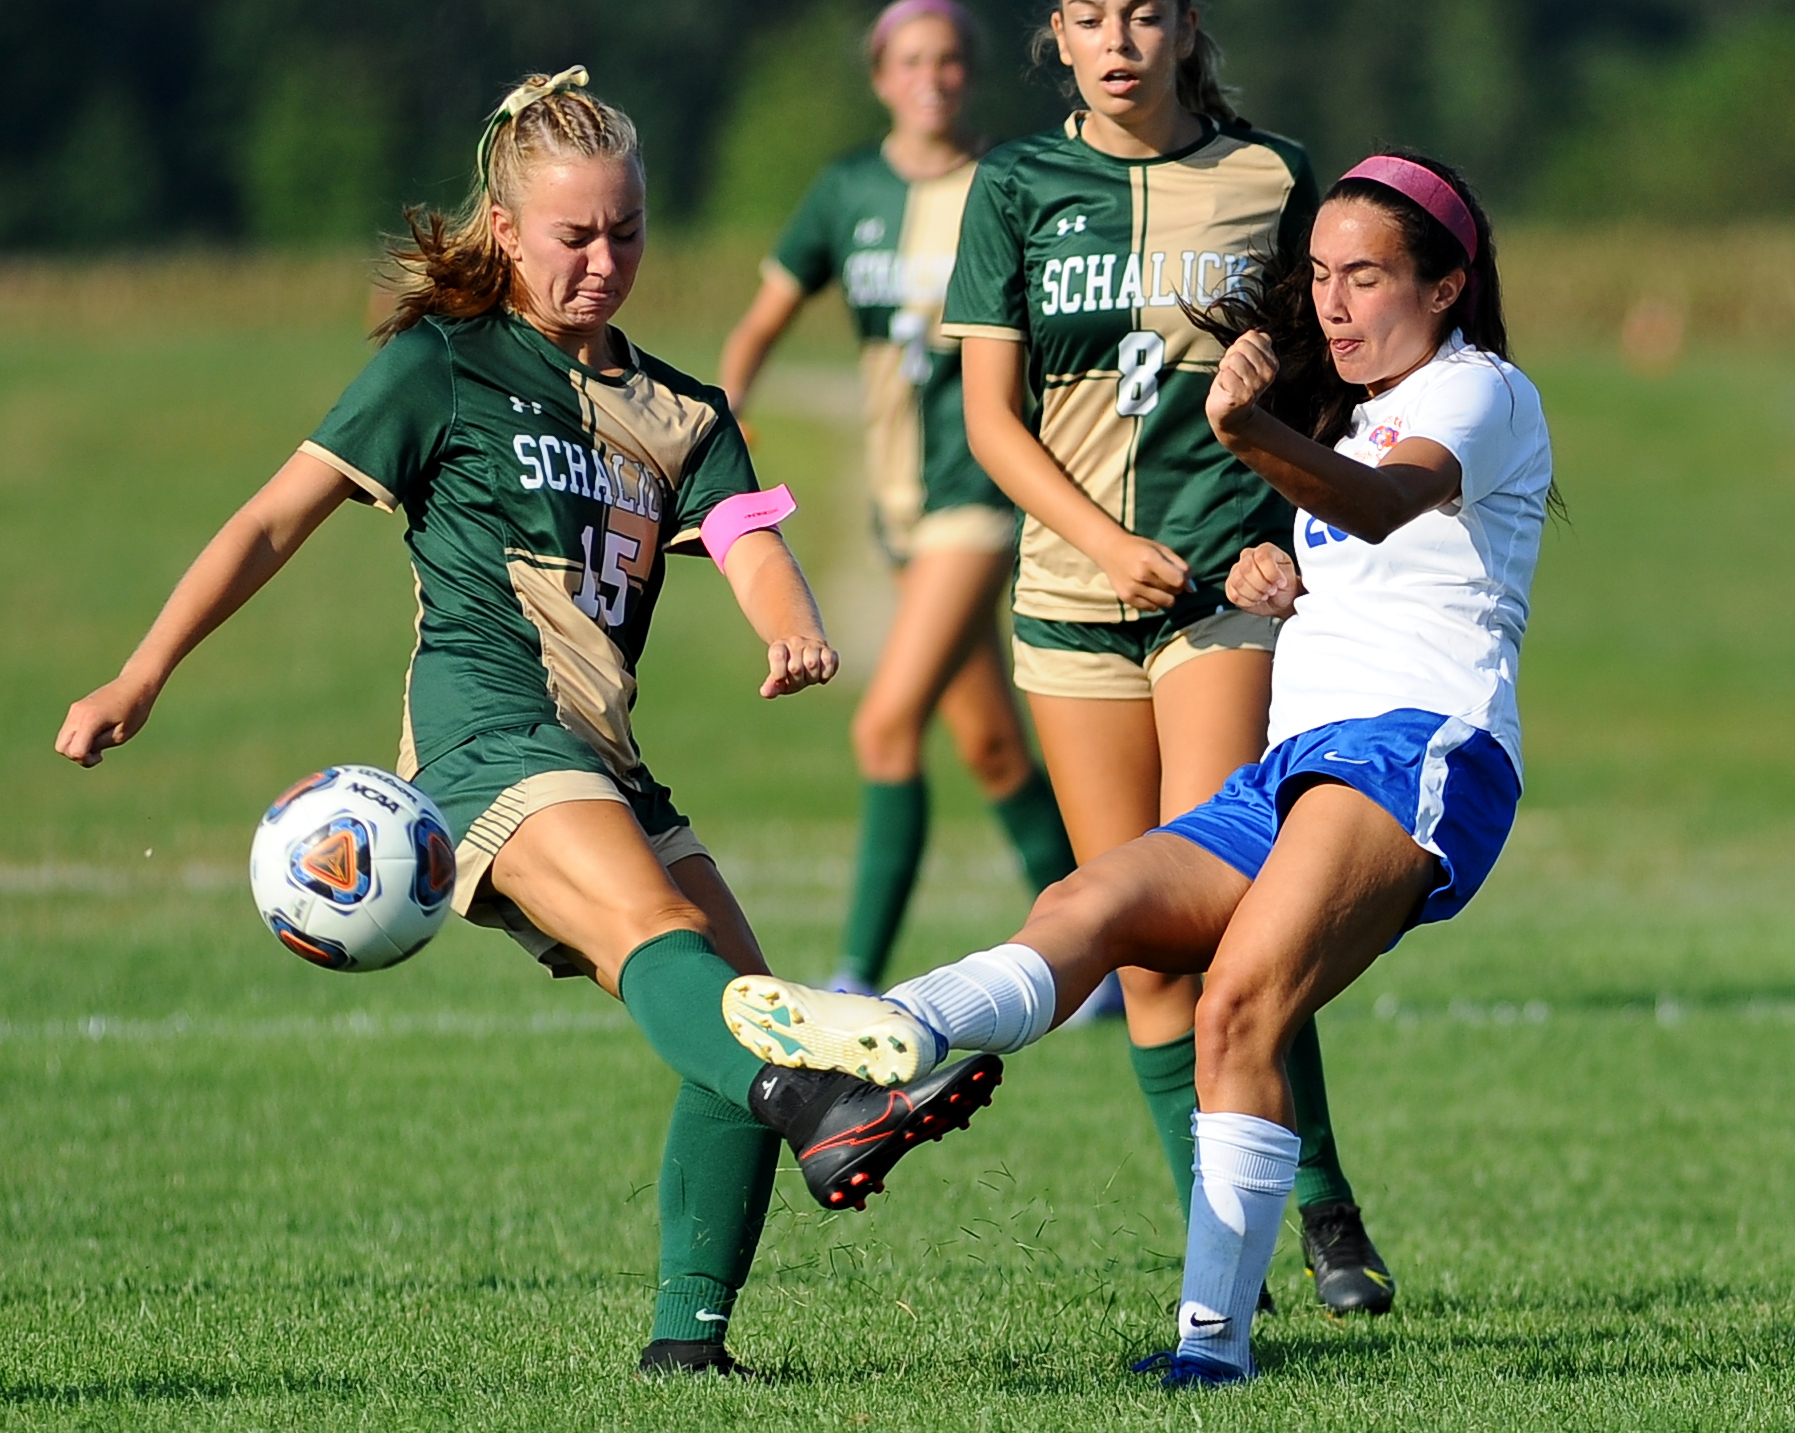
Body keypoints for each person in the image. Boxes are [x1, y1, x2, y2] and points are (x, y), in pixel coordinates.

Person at [53, 69, 1003, 1380]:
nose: (605, 261)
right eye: (574, 236)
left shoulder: (682, 410)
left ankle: (691, 1347)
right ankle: (820, 1104)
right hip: (484, 734)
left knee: (739, 995)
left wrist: (786, 622)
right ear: (505, 228)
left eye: (626, 233)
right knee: (703, 977)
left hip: (602, 755)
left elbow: (745, 540)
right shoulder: (439, 364)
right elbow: (275, 516)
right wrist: (142, 673)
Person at [722, 148, 1551, 1385]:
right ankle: (885, 1052)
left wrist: (1247, 426)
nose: (1331, 301)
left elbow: (1385, 505)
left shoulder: (1478, 387)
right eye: (1318, 273)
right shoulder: (1348, 401)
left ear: (1445, 285)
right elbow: (1348, 538)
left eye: (1365, 276)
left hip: (1420, 751)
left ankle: (1211, 1353)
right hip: (1299, 761)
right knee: (1086, 903)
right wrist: (1270, 570)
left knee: (1235, 1007)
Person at [727, 0, 1392, 1310]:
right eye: (1088, 17)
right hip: (1069, 604)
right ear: (1057, 33)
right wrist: (1101, 538)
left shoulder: (1267, 176)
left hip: (1221, 594)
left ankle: (1320, 1211)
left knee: (1228, 916)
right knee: (1145, 957)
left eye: (1143, 13)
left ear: (1183, 26)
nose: (1117, 39)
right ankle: (1230, 1253)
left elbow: (1329, 395)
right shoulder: (1016, 185)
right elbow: (987, 416)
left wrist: (1295, 532)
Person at [719, 0, 1084, 999]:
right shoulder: (846, 191)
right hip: (897, 505)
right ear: (882, 77)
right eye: (913, 60)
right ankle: (1105, 954)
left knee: (883, 724)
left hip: (981, 491)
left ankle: (852, 980)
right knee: (993, 745)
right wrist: (726, 417)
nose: (934, 76)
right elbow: (758, 327)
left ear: (972, 74)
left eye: (953, 59)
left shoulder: (1013, 181)